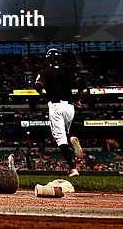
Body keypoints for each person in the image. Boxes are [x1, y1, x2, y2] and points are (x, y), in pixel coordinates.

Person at [35, 48, 86, 176]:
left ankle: (73, 168)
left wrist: (45, 96)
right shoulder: (69, 71)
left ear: (48, 59)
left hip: (56, 106)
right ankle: (72, 136)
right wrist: (78, 100)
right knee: (67, 132)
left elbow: (38, 86)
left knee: (60, 139)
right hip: (70, 107)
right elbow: (81, 85)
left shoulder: (45, 72)